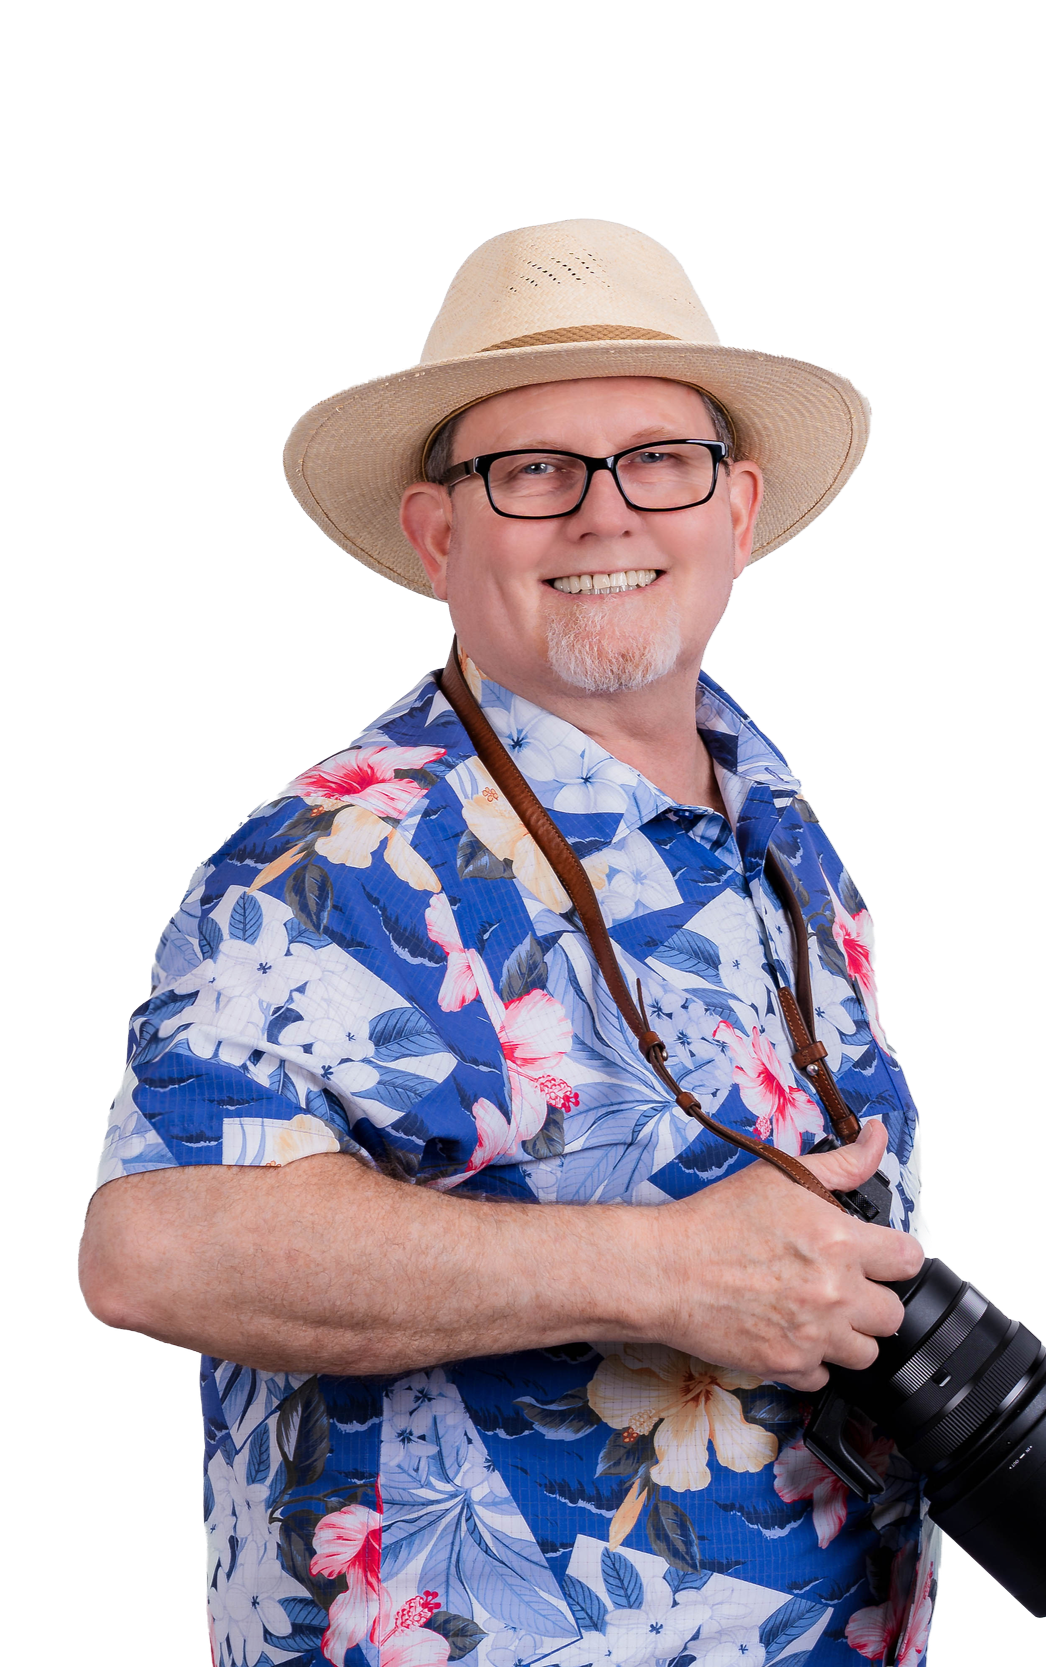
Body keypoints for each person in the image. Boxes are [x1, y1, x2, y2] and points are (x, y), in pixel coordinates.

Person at [79, 219, 942, 1667]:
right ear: (438, 533)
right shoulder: (332, 856)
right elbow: (155, 1247)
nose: (606, 516)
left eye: (657, 460)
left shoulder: (771, 817)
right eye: (533, 472)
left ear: (734, 508)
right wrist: (659, 1272)